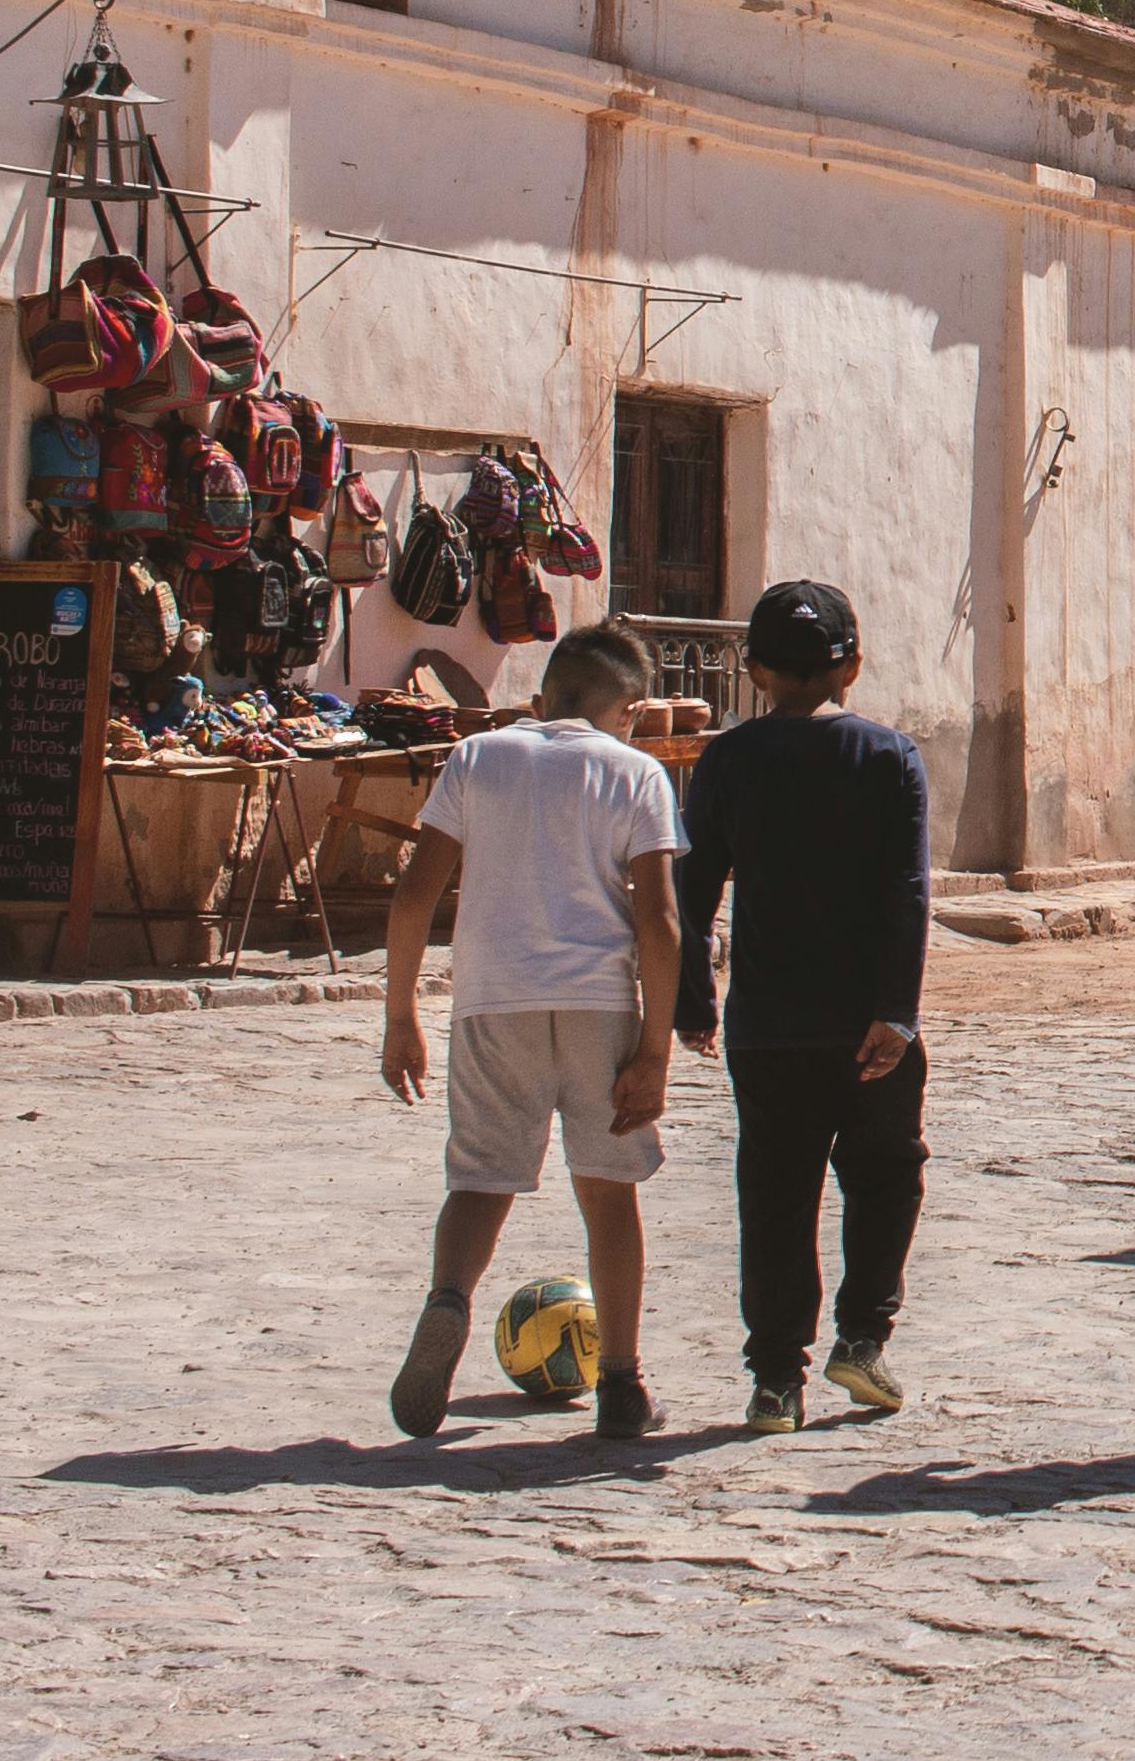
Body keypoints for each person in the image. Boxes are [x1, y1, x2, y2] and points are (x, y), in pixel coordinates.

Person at [380, 622, 686, 1442]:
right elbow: (659, 921)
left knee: (479, 1181)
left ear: (541, 697)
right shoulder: (636, 773)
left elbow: (413, 896)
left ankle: (448, 1300)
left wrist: (401, 1016)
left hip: (492, 1002)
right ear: (631, 709)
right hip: (598, 1006)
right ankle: (621, 1383)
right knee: (608, 1192)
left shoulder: (478, 757)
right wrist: (654, 1051)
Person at [673, 579, 934, 1436]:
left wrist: (693, 1000)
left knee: (776, 1194)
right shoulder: (888, 756)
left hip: (768, 1024)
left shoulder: (728, 761)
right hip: (867, 1023)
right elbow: (907, 889)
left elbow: (693, 889)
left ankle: (775, 1380)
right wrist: (897, 1011)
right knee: (885, 1177)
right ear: (851, 666)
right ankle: (863, 1337)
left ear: (754, 670)